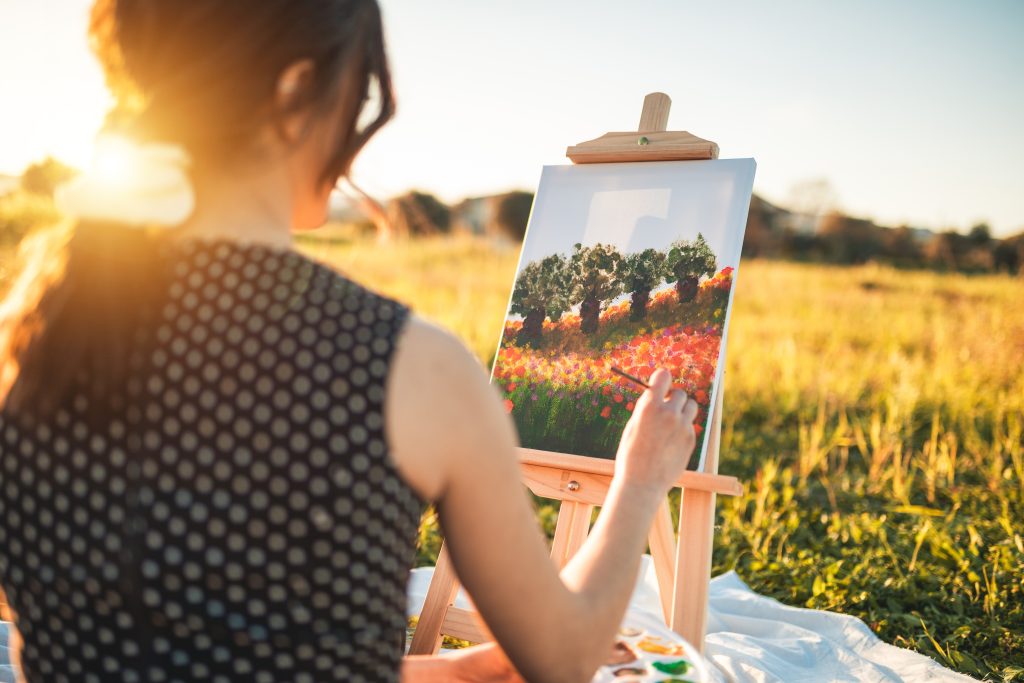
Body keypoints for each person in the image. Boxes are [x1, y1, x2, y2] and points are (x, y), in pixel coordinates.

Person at [0, 1, 700, 682]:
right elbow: (566, 655)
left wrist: (463, 669)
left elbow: (171, 640)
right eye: (358, 94)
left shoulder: (31, 336)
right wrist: (638, 483)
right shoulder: (407, 367)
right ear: (296, 89)